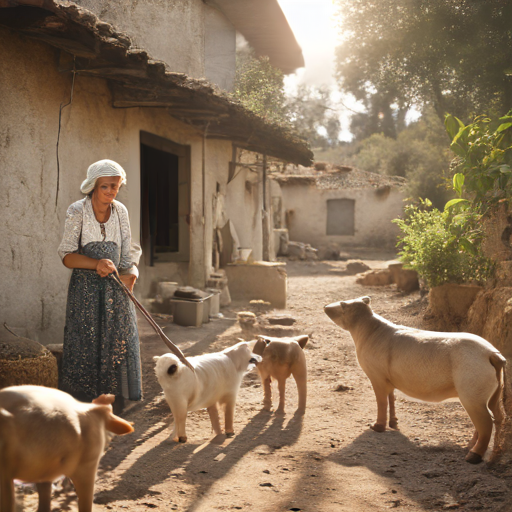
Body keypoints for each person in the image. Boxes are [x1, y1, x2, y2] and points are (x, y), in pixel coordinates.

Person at [58, 159, 142, 413]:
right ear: (93, 185)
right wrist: (96, 264)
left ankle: (113, 407)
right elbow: (67, 255)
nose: (111, 192)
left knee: (117, 341)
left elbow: (127, 256)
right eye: (105, 186)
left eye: (115, 186)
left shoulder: (121, 212)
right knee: (85, 341)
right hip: (85, 292)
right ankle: (82, 406)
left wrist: (132, 274)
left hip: (115, 291)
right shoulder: (77, 210)